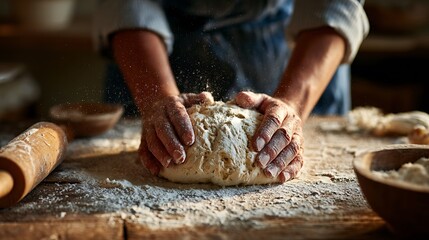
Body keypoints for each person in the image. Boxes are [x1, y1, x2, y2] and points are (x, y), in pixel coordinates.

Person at [94, 0, 369, 182]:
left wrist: (292, 103)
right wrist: (156, 98)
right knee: (165, 139)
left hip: (298, 39)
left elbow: (336, 4)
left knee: (277, 140)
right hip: (151, 40)